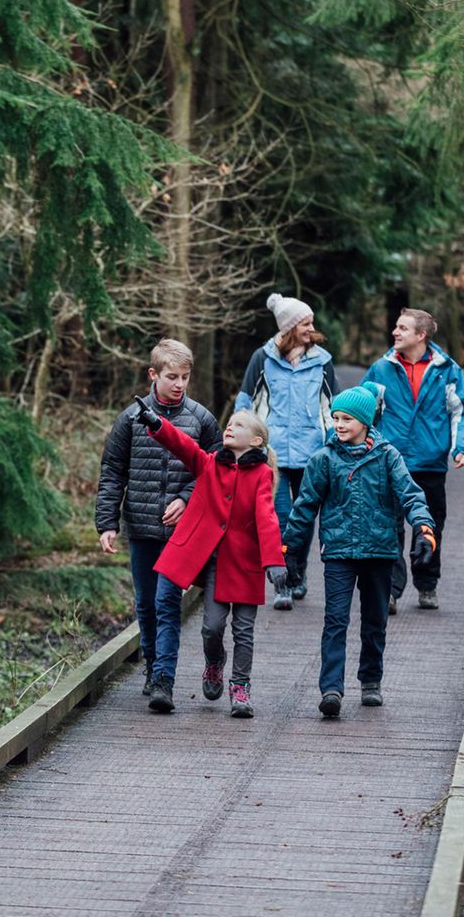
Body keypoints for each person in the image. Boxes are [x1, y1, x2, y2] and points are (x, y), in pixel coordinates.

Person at [280, 385, 436, 717]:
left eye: (346, 418)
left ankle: (370, 680)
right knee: (335, 619)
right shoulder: (323, 459)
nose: (338, 424)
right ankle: (332, 688)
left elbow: (411, 495)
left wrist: (424, 529)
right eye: (335, 417)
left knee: (375, 620)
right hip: (338, 552)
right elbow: (304, 507)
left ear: (365, 421)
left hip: (380, 552)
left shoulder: (387, 456)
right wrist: (290, 549)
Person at [134, 402, 285, 717]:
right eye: (229, 423)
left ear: (256, 441)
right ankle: (214, 662)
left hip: (246, 564)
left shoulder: (261, 475)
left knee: (243, 629)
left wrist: (274, 561)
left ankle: (240, 688)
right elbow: (183, 445)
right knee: (212, 627)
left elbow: (267, 517)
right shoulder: (211, 463)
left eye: (239, 426)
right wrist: (156, 422)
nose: (229, 428)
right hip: (216, 563)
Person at [96, 339, 223, 711]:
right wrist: (107, 522)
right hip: (141, 525)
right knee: (145, 603)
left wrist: (186, 498)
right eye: (172, 377)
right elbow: (113, 472)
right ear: (153, 375)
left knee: (168, 601)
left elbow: (215, 472)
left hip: (183, 531)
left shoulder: (201, 419)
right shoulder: (129, 419)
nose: (179, 384)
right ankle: (152, 666)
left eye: (185, 377)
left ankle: (164, 680)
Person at [361, 308, 464, 613]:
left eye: (402, 328)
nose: (394, 332)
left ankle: (427, 584)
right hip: (390, 462)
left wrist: (461, 446)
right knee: (389, 528)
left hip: (430, 464)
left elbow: (462, 411)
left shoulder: (447, 370)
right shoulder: (381, 369)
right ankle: (391, 590)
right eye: (396, 327)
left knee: (431, 527)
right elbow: (362, 412)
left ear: (421, 335)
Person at [235, 292, 337, 611]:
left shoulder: (323, 361)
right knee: (279, 518)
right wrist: (241, 437)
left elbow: (330, 406)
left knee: (303, 519)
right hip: (273, 453)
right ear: (290, 327)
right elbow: (246, 401)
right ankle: (282, 584)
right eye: (305, 322)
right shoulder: (262, 359)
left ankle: (298, 573)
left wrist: (334, 442)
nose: (311, 327)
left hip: (312, 453)